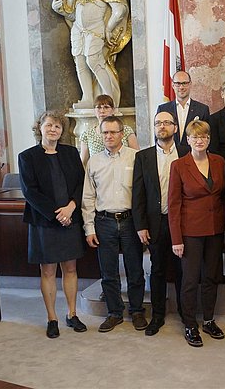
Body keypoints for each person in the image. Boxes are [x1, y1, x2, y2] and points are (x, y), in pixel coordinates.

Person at [19, 111, 87, 338]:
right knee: (48, 271)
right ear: (39, 128)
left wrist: (71, 207)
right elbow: (30, 192)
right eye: (49, 125)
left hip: (70, 217)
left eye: (57, 126)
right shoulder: (27, 156)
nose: (53, 130)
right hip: (44, 222)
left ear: (62, 130)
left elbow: (80, 183)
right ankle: (52, 318)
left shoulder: (71, 153)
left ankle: (72, 314)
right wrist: (56, 214)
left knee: (71, 268)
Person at [82, 116, 147, 333]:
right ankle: (114, 312)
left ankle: (137, 311)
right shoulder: (94, 161)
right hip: (104, 221)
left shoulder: (136, 157)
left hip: (130, 222)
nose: (109, 136)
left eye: (113, 132)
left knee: (135, 269)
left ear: (122, 133)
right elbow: (88, 197)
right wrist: (89, 228)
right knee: (108, 271)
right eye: (105, 133)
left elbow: (144, 194)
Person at [168, 120, 225, 347]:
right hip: (190, 232)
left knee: (211, 277)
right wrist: (176, 239)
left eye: (203, 137)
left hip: (215, 230)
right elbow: (173, 204)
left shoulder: (219, 162)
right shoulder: (179, 165)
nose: (199, 140)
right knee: (190, 279)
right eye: (195, 137)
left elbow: (223, 196)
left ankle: (209, 320)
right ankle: (191, 324)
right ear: (188, 140)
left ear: (209, 139)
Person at [131, 111, 184, 336]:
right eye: (158, 123)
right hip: (156, 222)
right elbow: (138, 194)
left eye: (167, 123)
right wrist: (141, 225)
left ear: (175, 128)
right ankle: (158, 315)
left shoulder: (187, 153)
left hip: (181, 223)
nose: (162, 126)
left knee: (184, 269)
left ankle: (186, 313)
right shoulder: (143, 157)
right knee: (158, 269)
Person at [51, 0, 130, 107]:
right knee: (80, 62)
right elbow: (71, 14)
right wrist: (58, 8)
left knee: (93, 61)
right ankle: (87, 98)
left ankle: (108, 100)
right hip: (78, 30)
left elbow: (120, 9)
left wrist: (109, 28)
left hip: (96, 29)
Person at [157, 70, 210, 155]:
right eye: (178, 83)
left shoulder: (202, 109)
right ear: (173, 85)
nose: (181, 87)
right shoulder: (163, 109)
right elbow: (158, 135)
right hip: (169, 154)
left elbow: (206, 136)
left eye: (184, 83)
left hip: (194, 156)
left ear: (190, 84)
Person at [79, 94, 139, 165]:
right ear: (94, 111)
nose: (102, 111)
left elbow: (137, 156)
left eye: (106, 107)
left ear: (113, 110)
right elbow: (84, 162)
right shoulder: (87, 134)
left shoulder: (126, 130)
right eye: (98, 107)